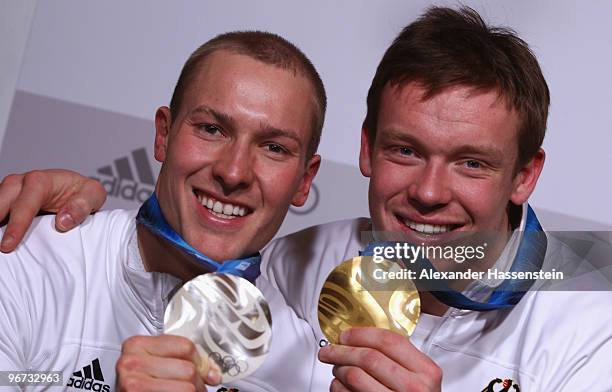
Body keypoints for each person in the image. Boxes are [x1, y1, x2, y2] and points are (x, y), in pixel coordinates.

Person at [3, 6, 612, 391]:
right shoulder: (289, 274)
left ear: (526, 175)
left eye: (471, 163)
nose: (428, 192)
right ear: (367, 151)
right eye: (405, 151)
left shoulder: (591, 332)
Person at [0, 31, 326, 392]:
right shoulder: (26, 264)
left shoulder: (304, 365)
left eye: (274, 148)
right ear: (164, 135)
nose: (233, 173)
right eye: (211, 129)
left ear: (303, 181)